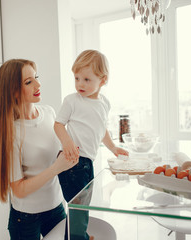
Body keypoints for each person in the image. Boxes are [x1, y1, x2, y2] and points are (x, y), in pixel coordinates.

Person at [0, 59, 78, 240]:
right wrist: (57, 168)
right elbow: (19, 190)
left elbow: (60, 151)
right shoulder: (12, 132)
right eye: (28, 82)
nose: (38, 84)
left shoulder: (49, 113)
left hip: (56, 208)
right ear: (13, 91)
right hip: (25, 219)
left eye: (36, 77)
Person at [54, 50, 129, 240]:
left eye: (87, 79)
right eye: (77, 78)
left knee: (82, 206)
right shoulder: (72, 101)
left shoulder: (104, 103)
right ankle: (79, 237)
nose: (80, 84)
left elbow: (101, 128)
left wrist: (113, 147)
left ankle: (80, 235)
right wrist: (67, 141)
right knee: (78, 208)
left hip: (87, 162)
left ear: (102, 80)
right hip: (72, 162)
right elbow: (58, 124)